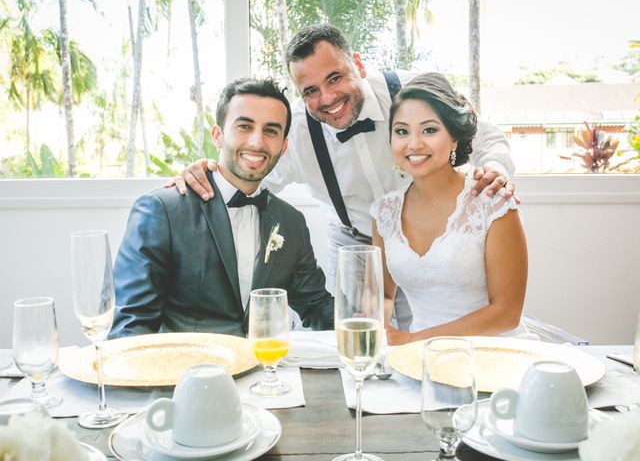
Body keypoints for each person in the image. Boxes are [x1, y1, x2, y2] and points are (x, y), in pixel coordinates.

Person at [166, 24, 516, 330]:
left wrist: (496, 172)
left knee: (443, 329)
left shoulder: (410, 90)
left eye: (335, 78)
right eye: (310, 91)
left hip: (439, 240)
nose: (328, 98)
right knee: (358, 336)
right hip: (355, 244)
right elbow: (249, 178)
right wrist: (207, 174)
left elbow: (485, 134)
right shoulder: (297, 133)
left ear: (359, 65)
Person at [110, 78, 334, 339]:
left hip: (267, 371)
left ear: (283, 147)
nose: (256, 141)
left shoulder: (291, 222)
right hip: (185, 374)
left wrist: (371, 331)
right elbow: (131, 327)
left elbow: (317, 306)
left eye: (271, 131)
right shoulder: (162, 211)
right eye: (244, 126)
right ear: (218, 136)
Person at [370, 73, 528, 345]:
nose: (414, 143)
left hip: (495, 351)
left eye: (429, 130)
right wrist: (374, 330)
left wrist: (415, 340)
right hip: (420, 360)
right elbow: (383, 295)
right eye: (402, 131)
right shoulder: (384, 212)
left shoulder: (493, 202)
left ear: (454, 139)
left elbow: (507, 313)